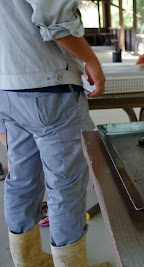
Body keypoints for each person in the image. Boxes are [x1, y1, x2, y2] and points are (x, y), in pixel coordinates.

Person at [0, 2, 110, 267]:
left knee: (21, 180)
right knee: (65, 186)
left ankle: (28, 261)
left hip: (7, 87)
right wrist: (90, 59)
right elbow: (54, 18)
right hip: (49, 84)